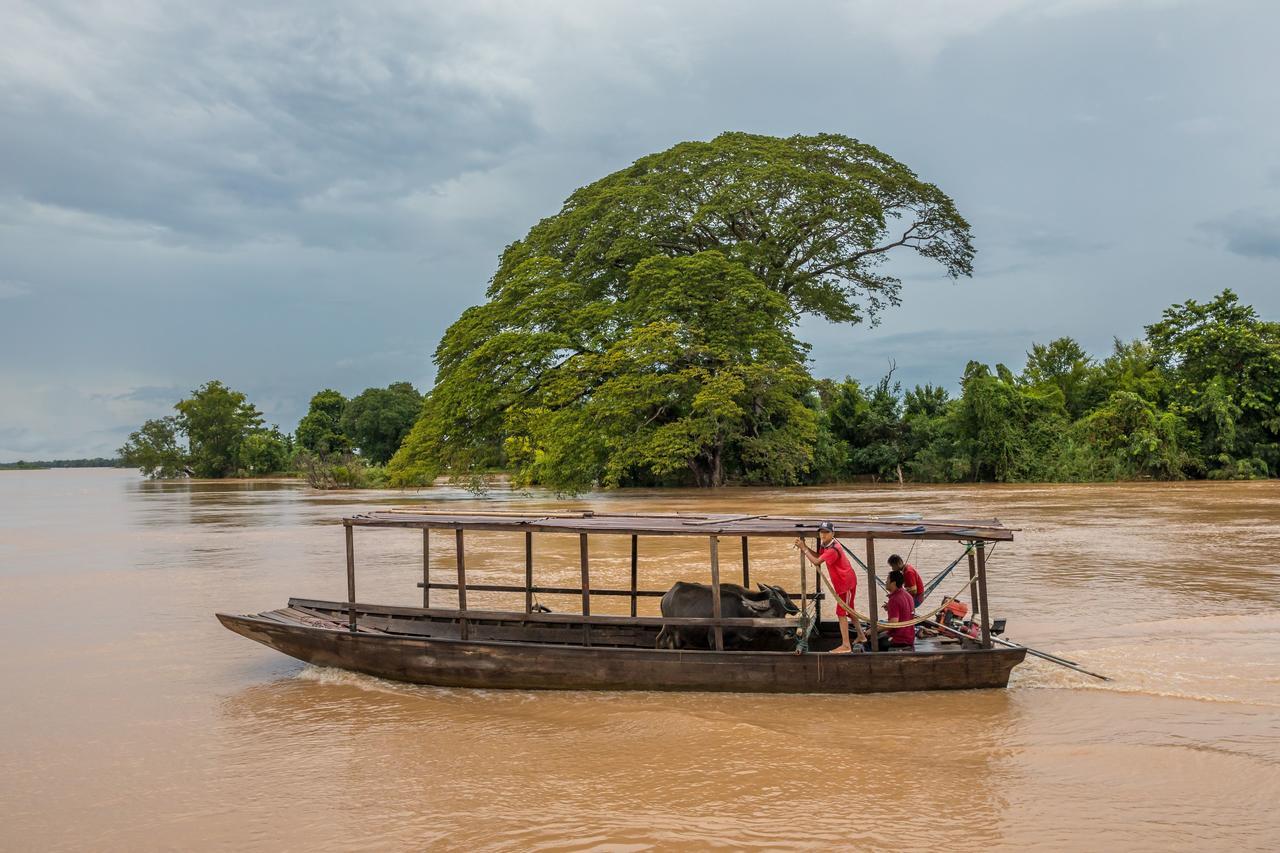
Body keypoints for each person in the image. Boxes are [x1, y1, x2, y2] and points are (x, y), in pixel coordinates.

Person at [794, 521, 867, 654]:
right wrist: (804, 547)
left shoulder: (833, 549)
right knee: (850, 610)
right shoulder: (826, 545)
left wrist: (804, 548)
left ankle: (846, 645)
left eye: (827, 532)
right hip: (843, 583)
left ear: (833, 533)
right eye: (821, 532)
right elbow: (818, 556)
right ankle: (861, 636)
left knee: (841, 612)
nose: (823, 534)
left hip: (846, 584)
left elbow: (816, 561)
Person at [873, 569, 917, 651]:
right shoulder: (908, 595)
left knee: (872, 640)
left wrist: (873, 630)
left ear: (893, 583)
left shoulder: (894, 599)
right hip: (910, 637)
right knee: (880, 633)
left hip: (899, 639)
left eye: (887, 580)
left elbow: (893, 624)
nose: (885, 582)